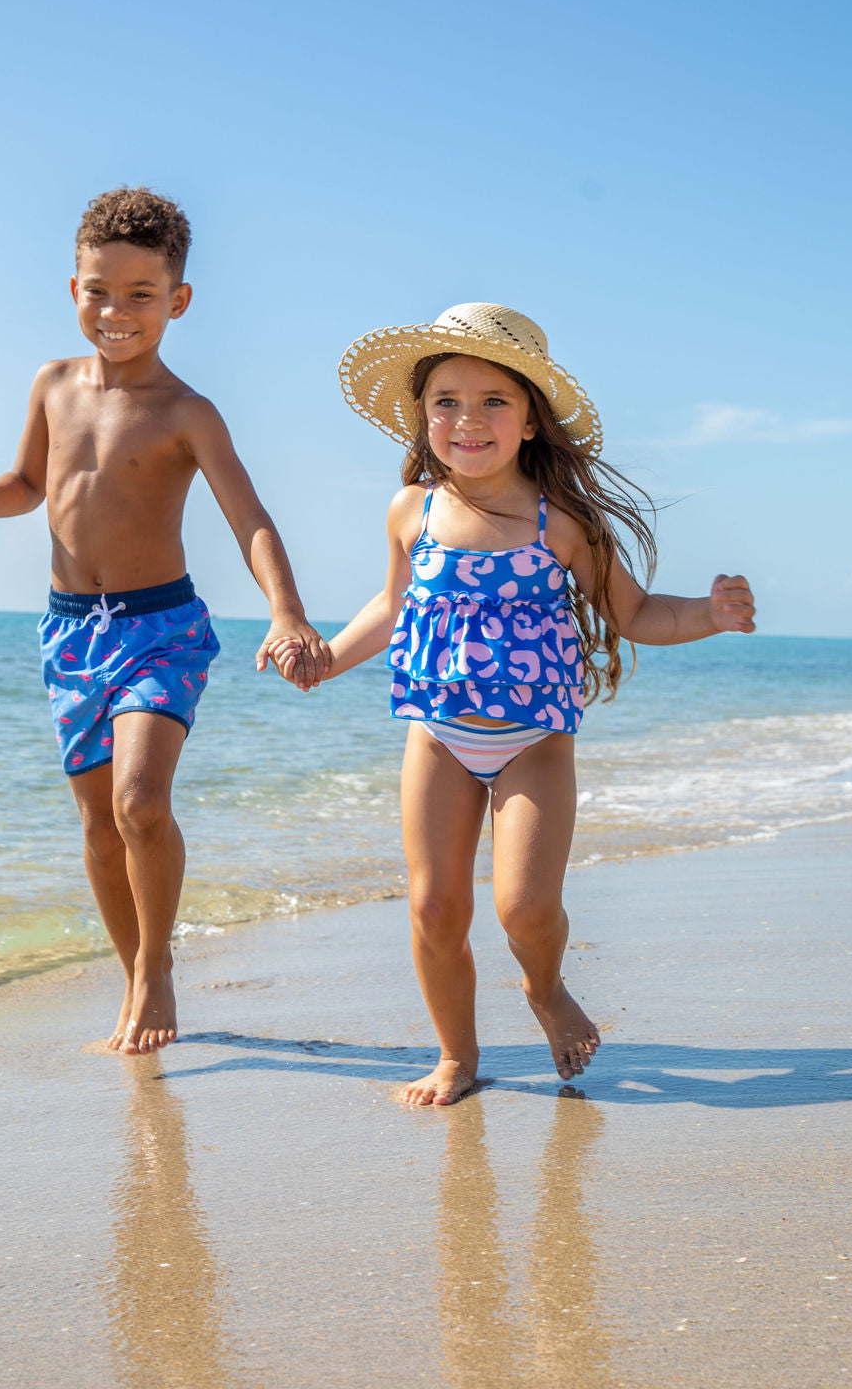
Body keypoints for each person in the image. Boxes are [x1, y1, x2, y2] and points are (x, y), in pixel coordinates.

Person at [272, 303, 754, 1104]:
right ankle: (456, 1058)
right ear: (423, 417)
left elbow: (633, 614)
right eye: (446, 401)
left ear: (532, 419)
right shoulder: (412, 510)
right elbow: (391, 609)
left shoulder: (561, 522)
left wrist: (709, 614)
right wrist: (326, 657)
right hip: (436, 737)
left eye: (494, 400)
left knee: (526, 909)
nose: (469, 419)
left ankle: (544, 986)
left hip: (534, 741)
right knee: (433, 906)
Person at [0, 186, 328, 1055]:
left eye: (140, 296)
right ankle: (131, 975)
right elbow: (29, 486)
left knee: (141, 803)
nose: (116, 311)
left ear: (177, 302)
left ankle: (156, 971)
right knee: (100, 830)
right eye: (98, 291)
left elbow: (249, 518)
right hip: (70, 630)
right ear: (72, 289)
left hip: (160, 625)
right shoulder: (52, 385)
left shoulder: (187, 412)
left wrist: (285, 612)